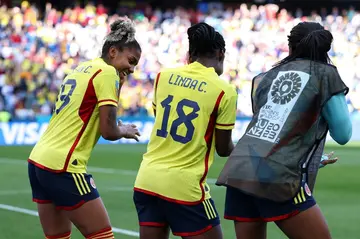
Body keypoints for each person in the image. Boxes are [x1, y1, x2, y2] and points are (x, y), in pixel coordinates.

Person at [216, 22, 352, 239]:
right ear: (325, 50)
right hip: (278, 177)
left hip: (240, 171)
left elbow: (271, 131)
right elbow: (343, 134)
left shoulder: (264, 78)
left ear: (290, 47)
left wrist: (313, 157)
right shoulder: (326, 75)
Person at [27, 18, 141, 239]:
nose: (133, 69)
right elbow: (108, 131)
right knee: (102, 235)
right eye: (131, 60)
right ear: (113, 51)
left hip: (38, 162)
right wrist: (123, 130)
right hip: (64, 166)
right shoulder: (107, 73)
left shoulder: (82, 68)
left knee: (57, 236)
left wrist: (121, 82)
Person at [133, 22, 237, 239]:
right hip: (185, 188)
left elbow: (160, 117)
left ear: (190, 54)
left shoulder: (163, 77)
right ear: (220, 53)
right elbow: (223, 148)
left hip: (147, 180)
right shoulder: (224, 91)